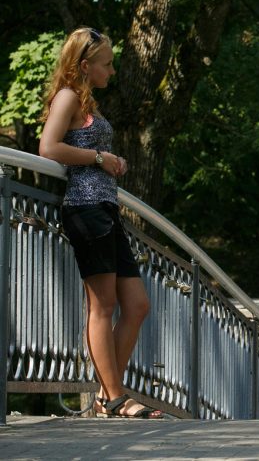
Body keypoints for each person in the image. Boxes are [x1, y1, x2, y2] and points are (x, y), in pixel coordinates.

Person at [39, 27, 162, 419]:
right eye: (107, 64)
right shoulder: (68, 96)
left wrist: (112, 162)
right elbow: (48, 147)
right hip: (84, 209)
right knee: (103, 306)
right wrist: (98, 160)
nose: (112, 71)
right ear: (85, 65)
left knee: (137, 305)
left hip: (105, 210)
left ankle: (108, 394)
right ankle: (115, 398)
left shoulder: (87, 101)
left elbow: (86, 149)